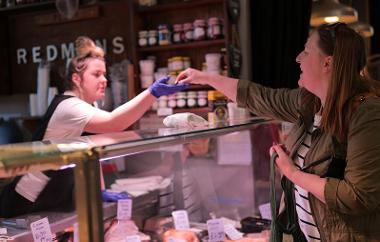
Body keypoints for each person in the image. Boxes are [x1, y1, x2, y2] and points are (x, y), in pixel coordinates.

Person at [176, 23, 380, 241]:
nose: (298, 58)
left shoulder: (367, 113)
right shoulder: (310, 103)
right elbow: (259, 97)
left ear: (327, 63)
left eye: (306, 51)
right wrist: (205, 78)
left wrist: (293, 174)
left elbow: (358, 196)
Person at [0, 36, 188, 218]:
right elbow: (115, 123)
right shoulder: (69, 107)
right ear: (76, 79)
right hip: (26, 200)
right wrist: (152, 93)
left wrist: (100, 191)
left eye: (104, 74)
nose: (104, 80)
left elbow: (92, 151)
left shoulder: (88, 107)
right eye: (96, 74)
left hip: (53, 198)